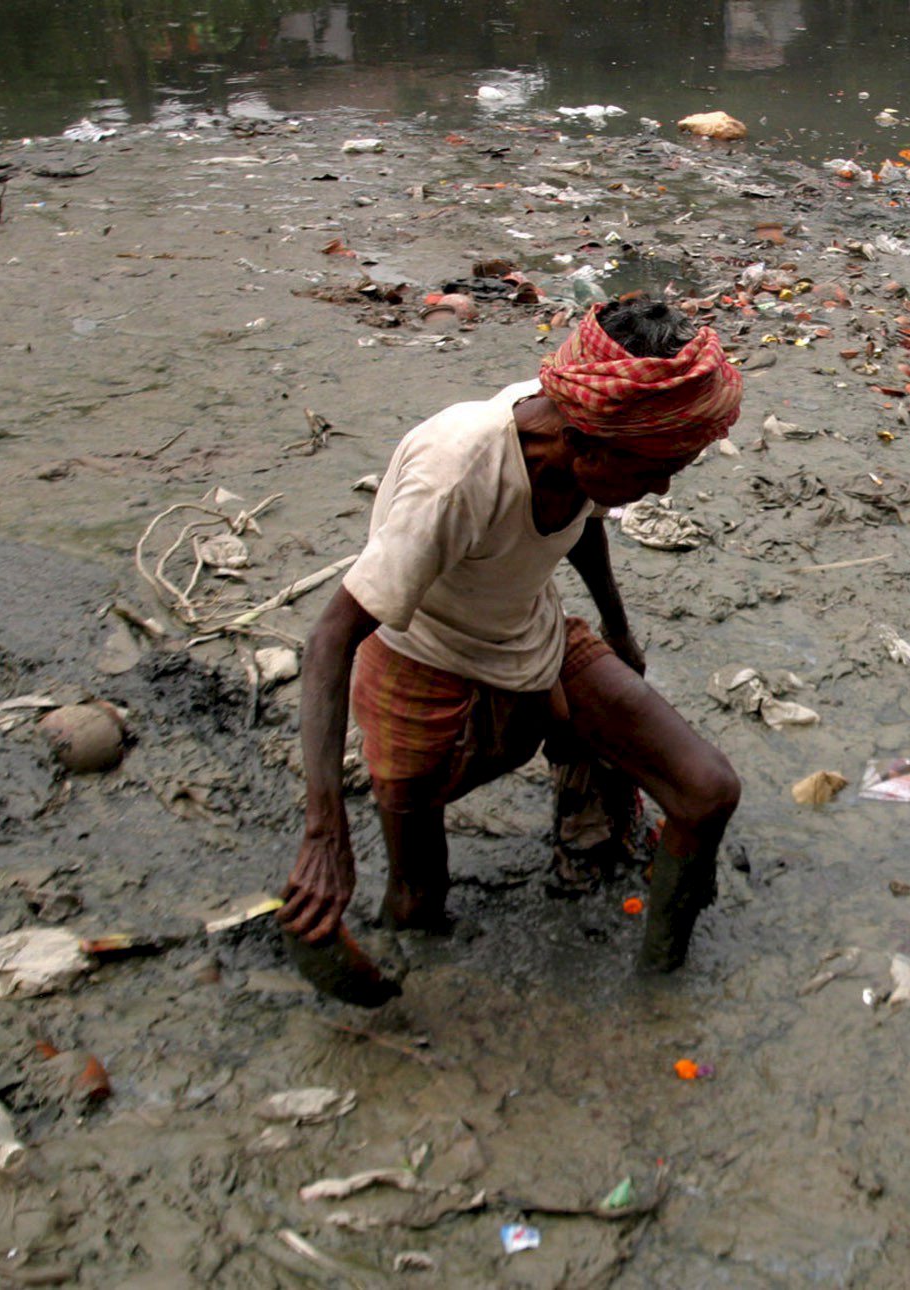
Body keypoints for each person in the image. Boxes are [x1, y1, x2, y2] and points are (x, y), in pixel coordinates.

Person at [278, 296, 744, 977]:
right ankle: (397, 990)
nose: (663, 490)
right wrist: (324, 833)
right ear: (583, 443)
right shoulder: (457, 474)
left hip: (528, 626)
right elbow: (329, 639)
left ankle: (657, 985)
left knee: (707, 790)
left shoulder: (580, 437)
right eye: (651, 473)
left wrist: (617, 629)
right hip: (423, 654)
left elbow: (579, 517)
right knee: (417, 897)